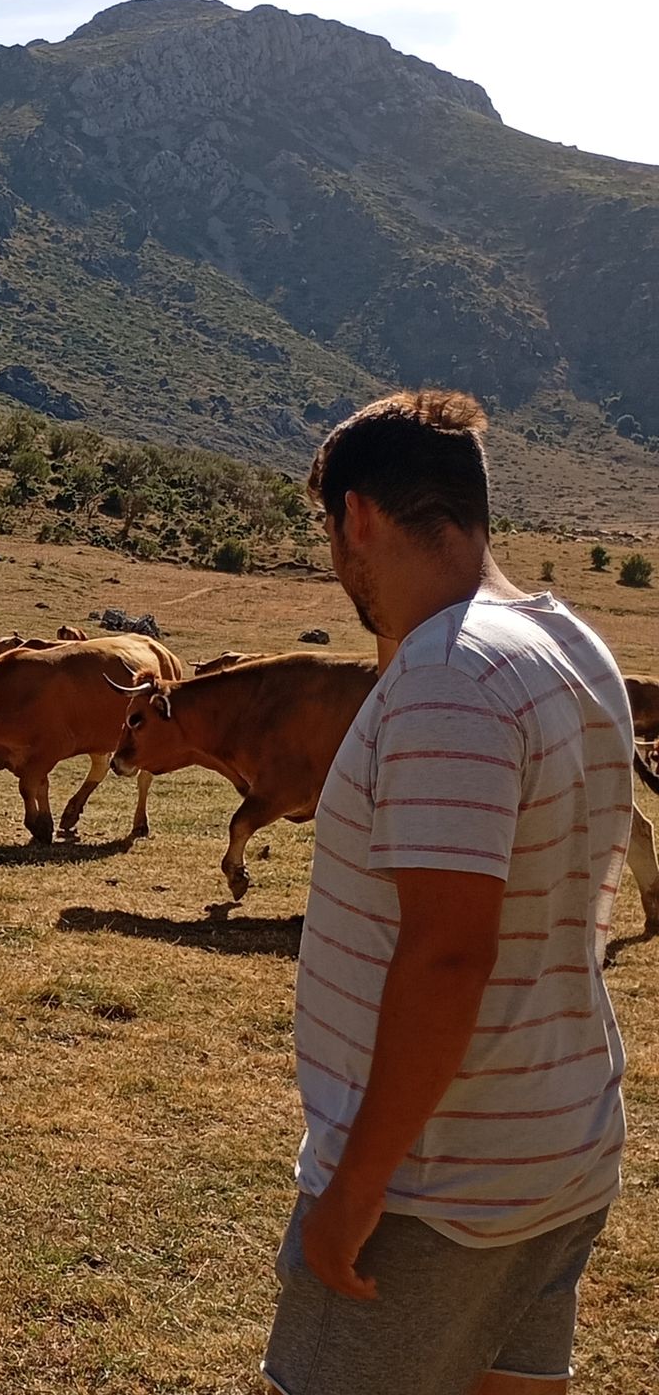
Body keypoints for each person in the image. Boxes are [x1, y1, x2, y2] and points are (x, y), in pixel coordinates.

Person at [264, 391, 631, 1394]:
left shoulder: (448, 677)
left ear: (359, 519)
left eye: (328, 531)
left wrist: (359, 1184)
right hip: (562, 1144)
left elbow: (449, 952)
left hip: (439, 1189)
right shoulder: (569, 645)